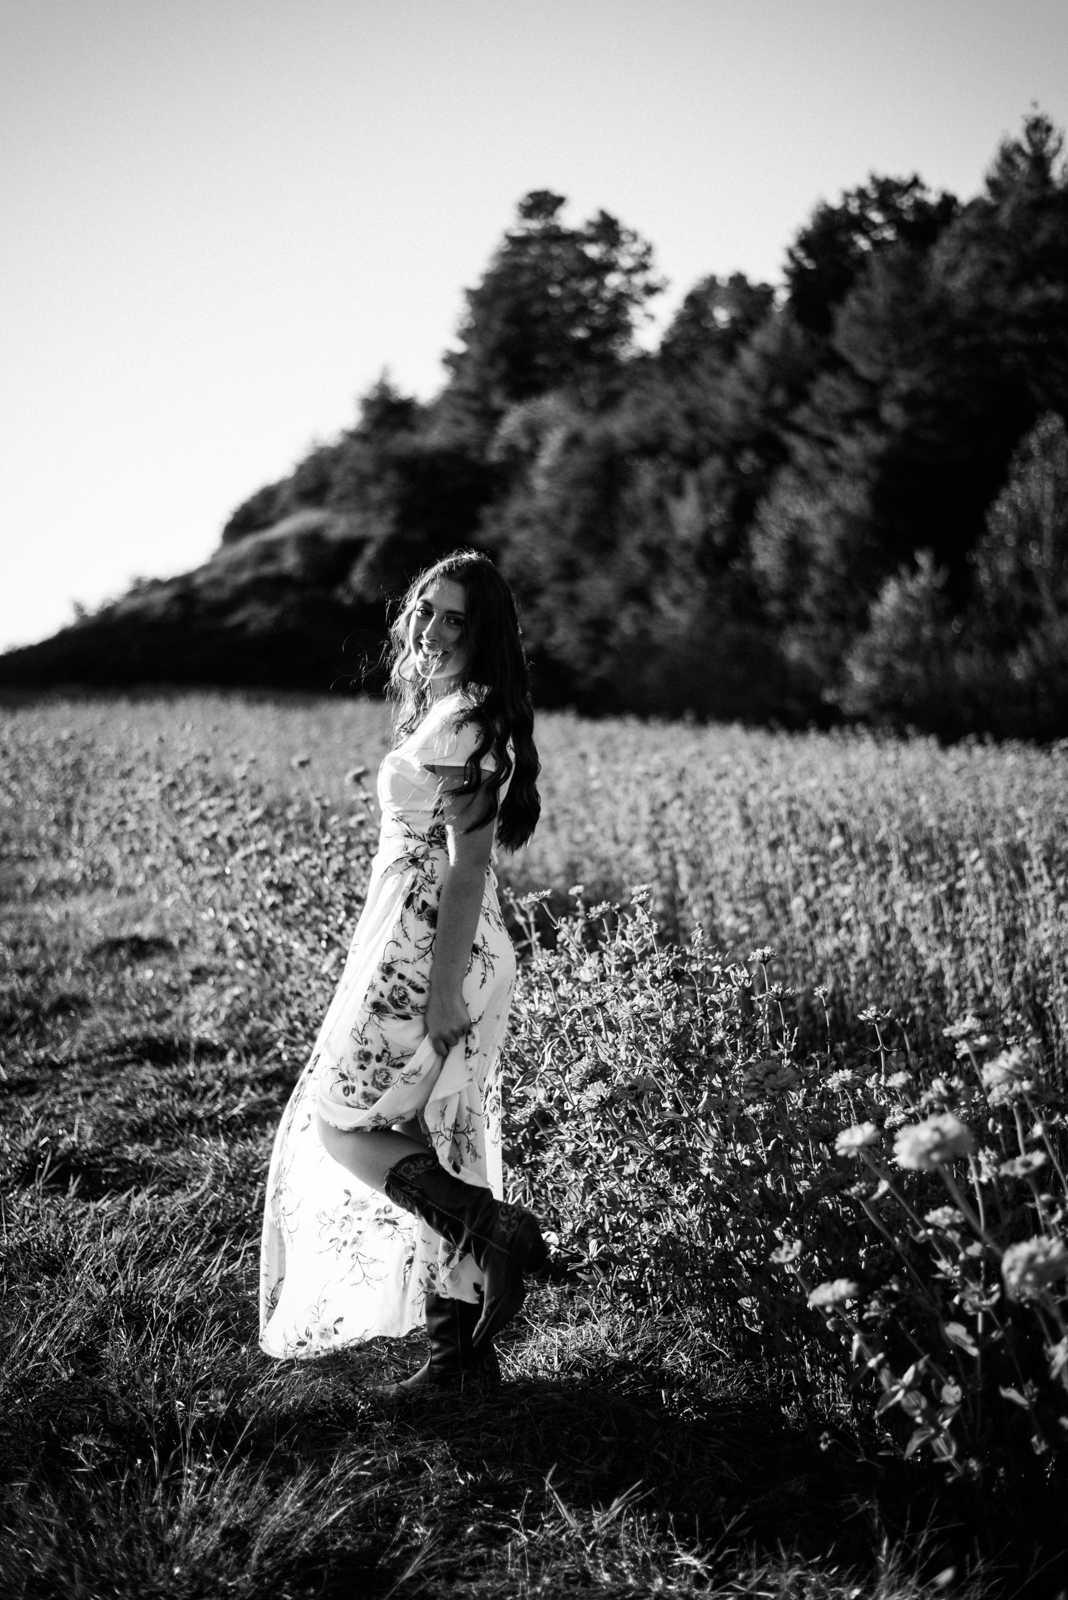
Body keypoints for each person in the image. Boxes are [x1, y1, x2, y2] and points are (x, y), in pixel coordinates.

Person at [259, 550, 557, 1392]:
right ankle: (459, 1361)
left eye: (455, 616)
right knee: (438, 1134)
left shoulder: (469, 718)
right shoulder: (451, 708)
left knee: (342, 1119)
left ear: (484, 631)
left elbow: (465, 867)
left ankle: (486, 1229)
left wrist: (437, 991)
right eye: (426, 609)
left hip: (434, 946)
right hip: (424, 936)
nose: (431, 628)